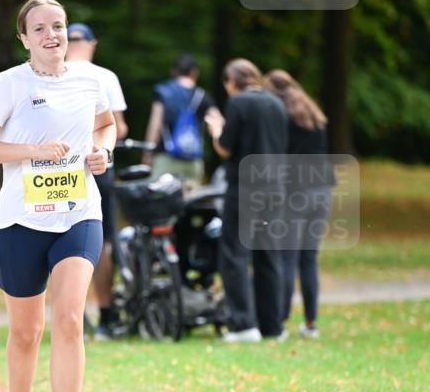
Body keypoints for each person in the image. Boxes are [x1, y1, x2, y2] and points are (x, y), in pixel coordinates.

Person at [0, 0, 116, 392]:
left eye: (60, 26)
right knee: (26, 333)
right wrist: (31, 151)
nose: (53, 35)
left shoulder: (93, 80)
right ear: (24, 38)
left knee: (69, 317)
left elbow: (106, 126)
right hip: (19, 222)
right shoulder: (10, 84)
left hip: (78, 213)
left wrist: (102, 154)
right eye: (41, 28)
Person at [205, 58, 288, 343]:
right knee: (268, 255)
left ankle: (243, 324)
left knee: (234, 255)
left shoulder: (239, 103)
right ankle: (272, 325)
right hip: (275, 189)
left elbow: (225, 149)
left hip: (245, 188)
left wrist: (216, 129)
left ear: (232, 81)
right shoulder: (277, 103)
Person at [65, 22, 128, 340]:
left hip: (58, 168)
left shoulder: (50, 74)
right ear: (92, 44)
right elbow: (118, 127)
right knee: (101, 240)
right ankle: (106, 314)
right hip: (97, 164)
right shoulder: (105, 76)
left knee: (55, 236)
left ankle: (69, 313)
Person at [265, 69, 333, 339]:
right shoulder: (314, 115)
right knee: (309, 259)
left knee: (287, 257)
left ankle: (279, 321)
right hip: (322, 191)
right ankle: (311, 322)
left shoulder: (283, 116)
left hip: (296, 193)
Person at [143, 53, 219, 184]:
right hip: (193, 160)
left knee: (160, 200)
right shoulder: (203, 95)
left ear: (174, 71)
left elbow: (155, 124)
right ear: (195, 73)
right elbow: (218, 121)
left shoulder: (163, 91)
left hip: (166, 158)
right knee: (190, 202)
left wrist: (148, 153)